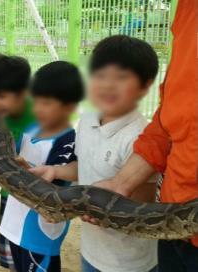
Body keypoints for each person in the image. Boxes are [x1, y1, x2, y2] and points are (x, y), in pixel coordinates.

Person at [82, 2, 198, 272]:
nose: (108, 84)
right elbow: (174, 117)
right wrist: (122, 182)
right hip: (174, 227)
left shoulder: (131, 131)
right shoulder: (187, 11)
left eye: (120, 77)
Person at [31, 35, 160, 272]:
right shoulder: (88, 119)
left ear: (145, 85)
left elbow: (142, 206)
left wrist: (82, 208)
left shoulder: (143, 139)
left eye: (121, 78)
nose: (107, 86)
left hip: (128, 262)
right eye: (100, 76)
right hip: (91, 250)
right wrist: (55, 170)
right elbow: (85, 166)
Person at [0, 61, 83, 271]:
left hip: (39, 232)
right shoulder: (31, 128)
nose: (37, 108)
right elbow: (15, 158)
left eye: (46, 103)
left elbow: (58, 181)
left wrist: (26, 170)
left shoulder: (67, 137)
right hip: (14, 223)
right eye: (35, 101)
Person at [0, 54, 34, 271]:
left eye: (0, 96)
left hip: (33, 201)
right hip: (8, 196)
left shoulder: (39, 117)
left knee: (28, 253)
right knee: (10, 250)